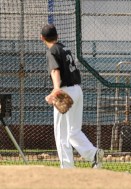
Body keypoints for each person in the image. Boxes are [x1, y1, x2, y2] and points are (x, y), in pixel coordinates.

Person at [40, 24, 104, 168]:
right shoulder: (64, 48)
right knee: (73, 131)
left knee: (61, 133)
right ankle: (93, 154)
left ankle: (67, 170)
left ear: (42, 38)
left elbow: (55, 70)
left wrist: (56, 89)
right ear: (57, 36)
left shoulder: (52, 51)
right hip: (77, 90)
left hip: (64, 92)